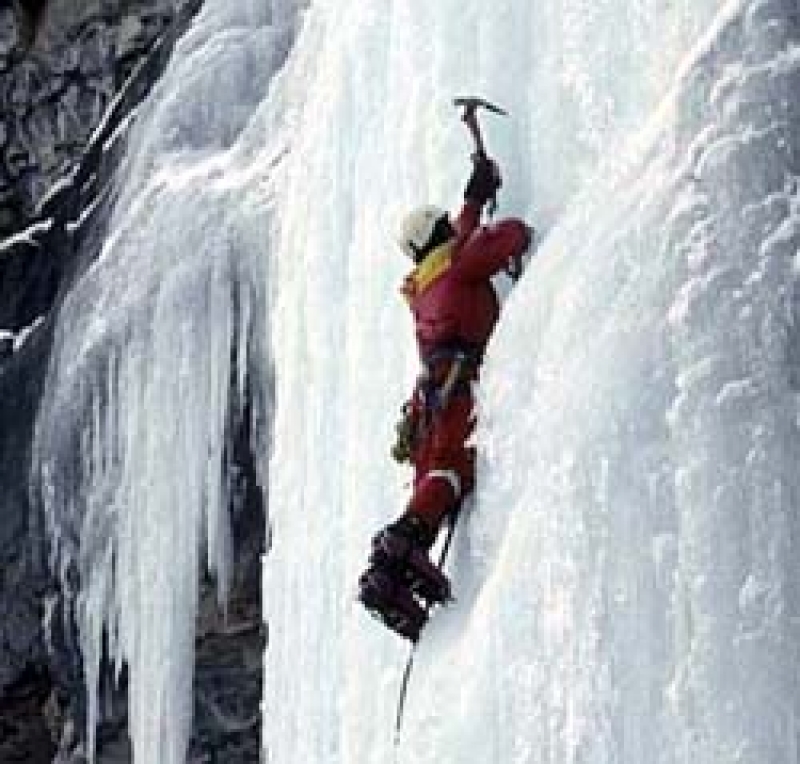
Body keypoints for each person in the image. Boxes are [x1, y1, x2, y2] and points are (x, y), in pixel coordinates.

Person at [359, 155, 532, 640]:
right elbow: (509, 238)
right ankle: (400, 544)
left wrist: (475, 195)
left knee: (434, 475)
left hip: (431, 400)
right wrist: (509, 232)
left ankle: (392, 573)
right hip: (458, 392)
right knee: (452, 472)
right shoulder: (458, 266)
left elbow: (457, 243)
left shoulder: (424, 284)